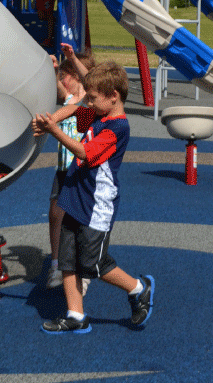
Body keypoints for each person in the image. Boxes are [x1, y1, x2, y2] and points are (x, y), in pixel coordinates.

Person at [32, 62, 154, 335]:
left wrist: (55, 130)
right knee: (67, 259)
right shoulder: (98, 113)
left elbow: (86, 153)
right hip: (74, 195)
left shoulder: (117, 128)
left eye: (93, 97)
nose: (88, 101)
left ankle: (138, 288)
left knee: (93, 264)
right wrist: (52, 119)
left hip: (96, 205)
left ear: (114, 96)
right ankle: (75, 314)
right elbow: (76, 108)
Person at [43, 56, 86, 289]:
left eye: (65, 76)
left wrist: (72, 60)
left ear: (77, 76)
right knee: (55, 214)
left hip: (80, 169)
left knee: (79, 219)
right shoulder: (68, 99)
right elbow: (58, 89)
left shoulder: (89, 102)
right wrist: (54, 68)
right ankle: (56, 265)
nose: (62, 81)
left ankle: (82, 267)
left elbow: (89, 82)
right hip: (63, 169)